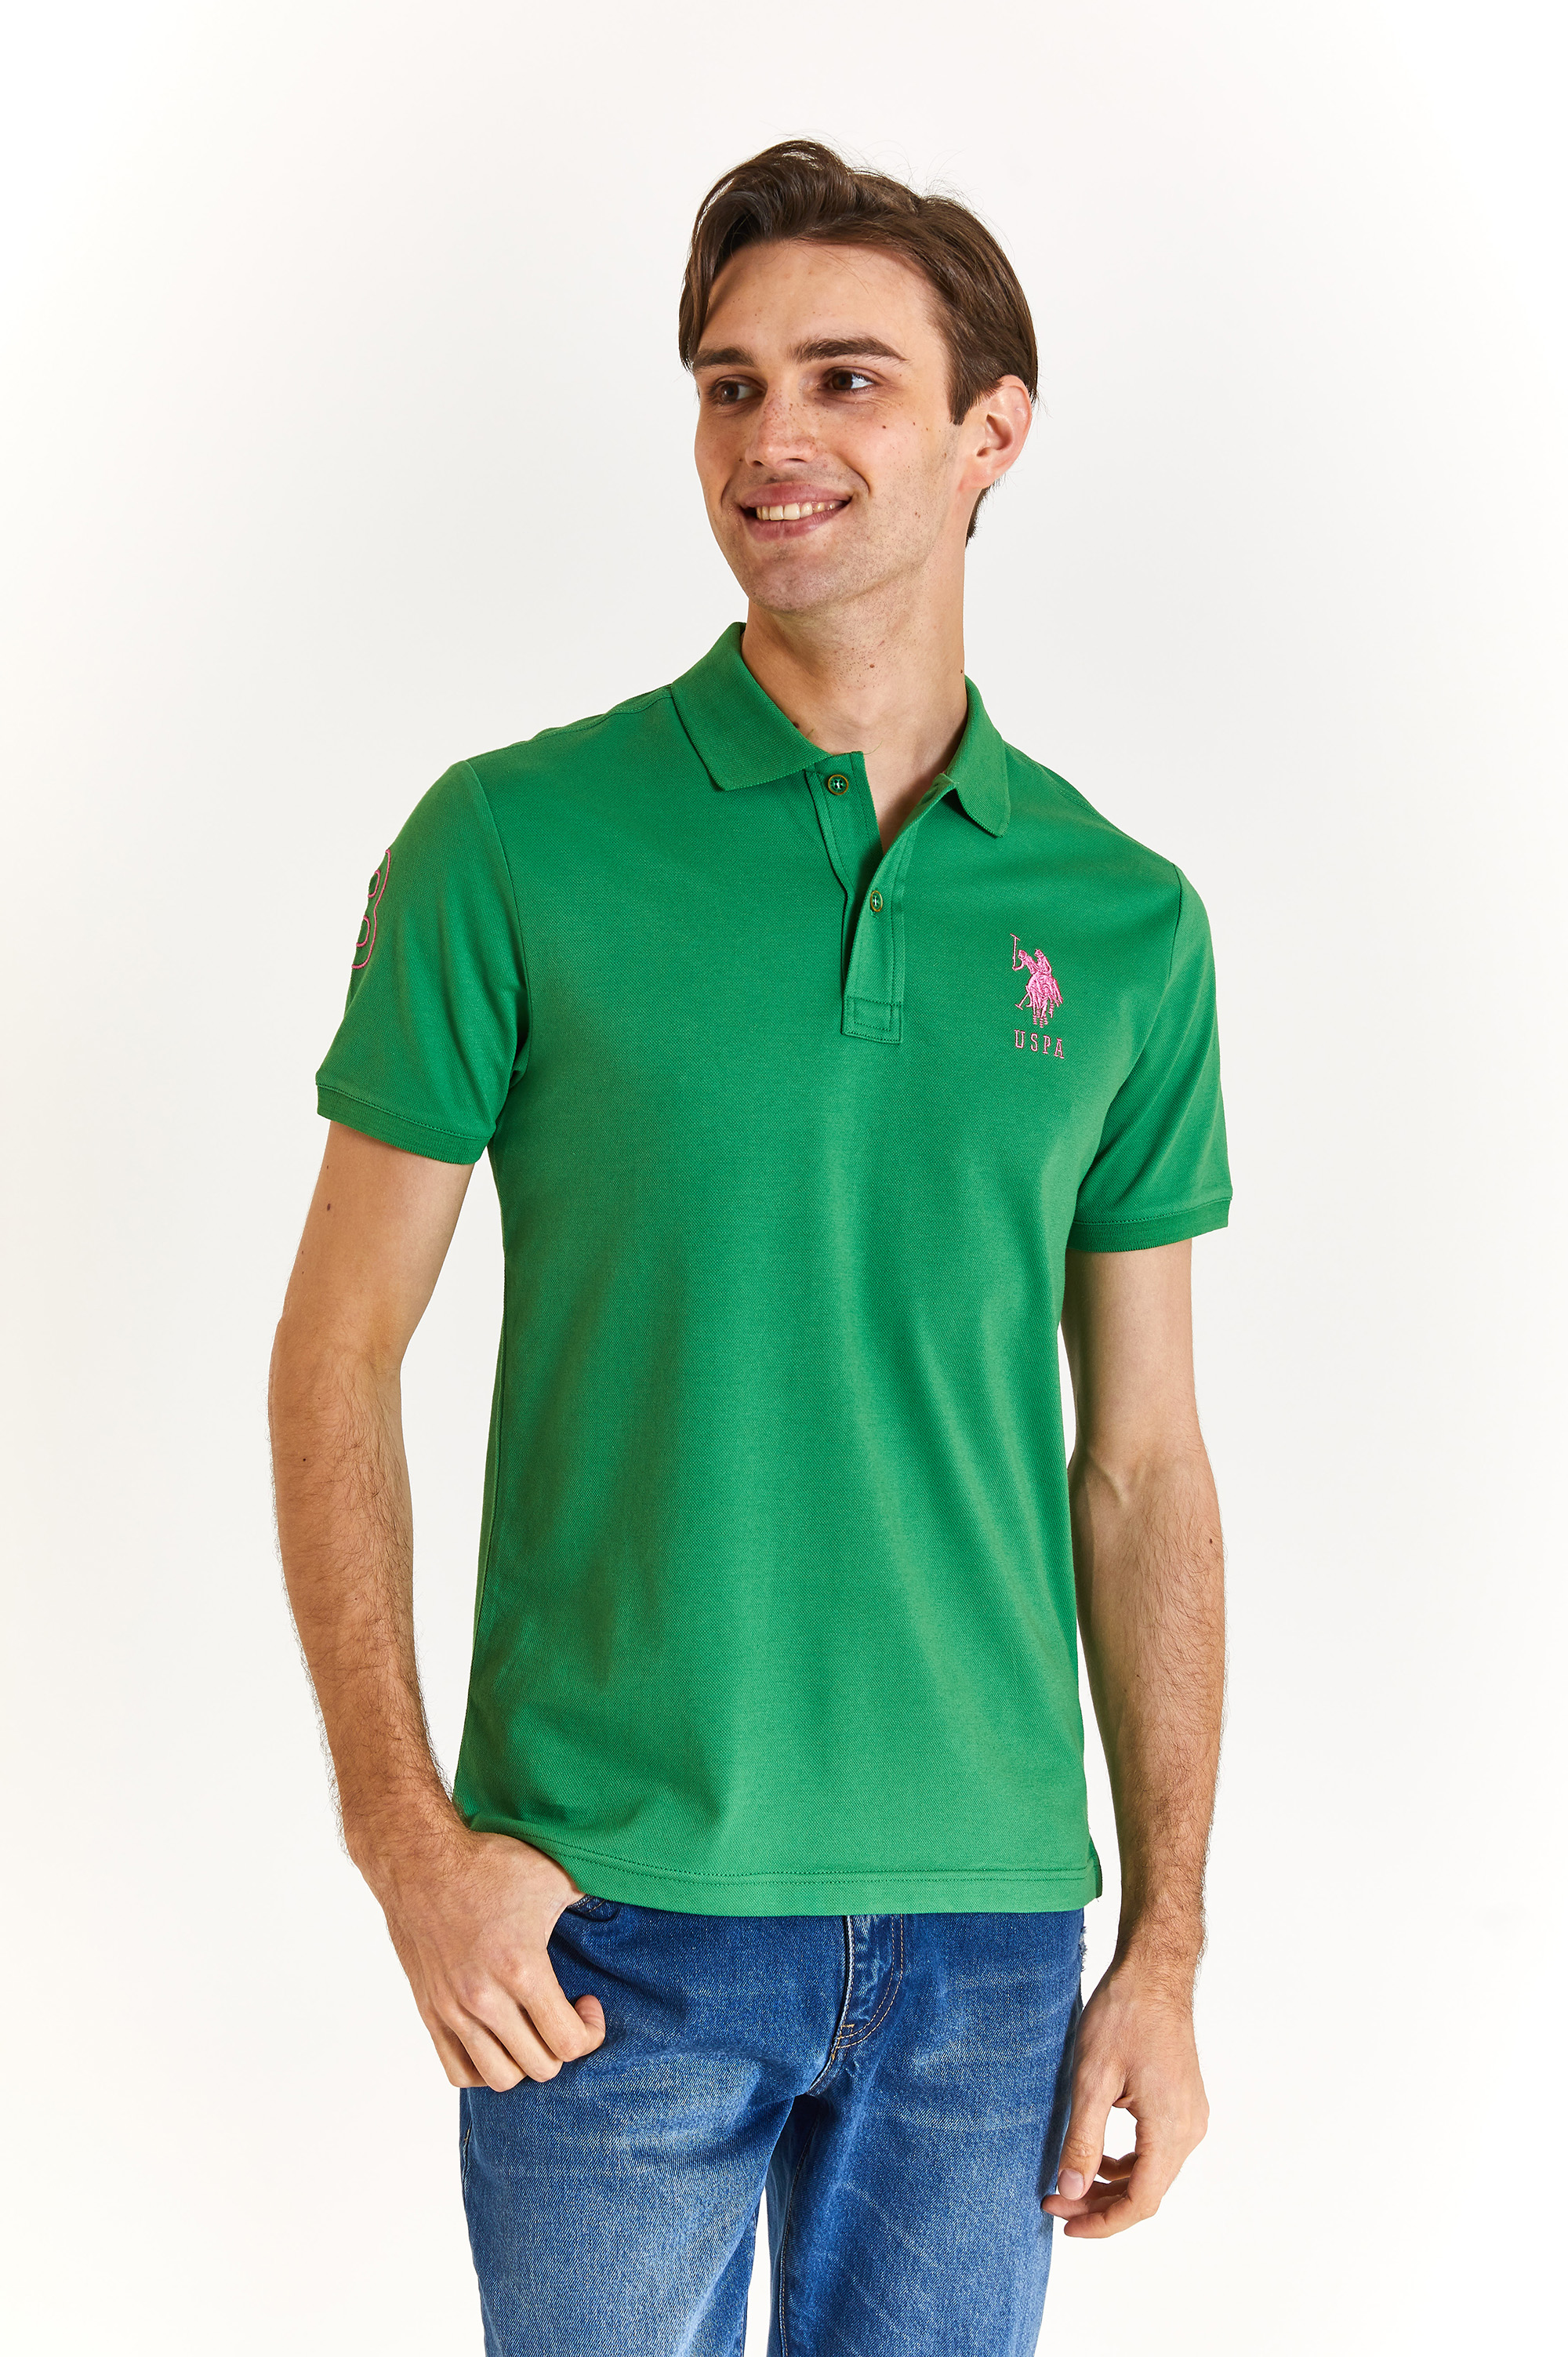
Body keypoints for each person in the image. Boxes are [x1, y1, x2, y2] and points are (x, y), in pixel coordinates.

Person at [269, 138, 1232, 2357]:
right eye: (728, 385)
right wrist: (407, 1843)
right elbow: (335, 1353)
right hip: (604, 1924)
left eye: (845, 378)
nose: (771, 436)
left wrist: (1163, 1945)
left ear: (993, 431)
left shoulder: (1123, 922)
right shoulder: (511, 844)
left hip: (992, 1933)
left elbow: (1143, 1464)